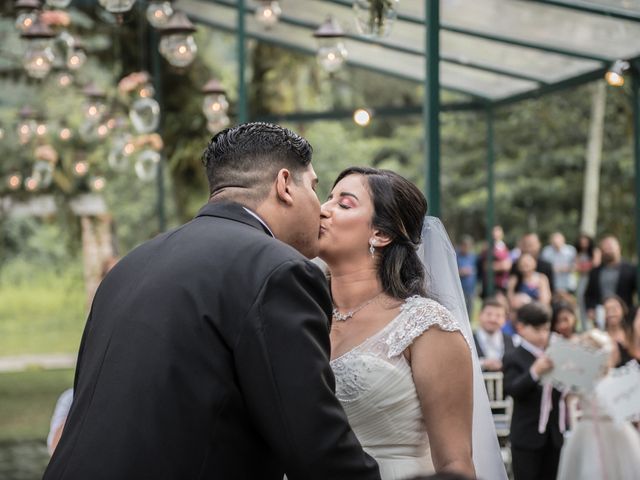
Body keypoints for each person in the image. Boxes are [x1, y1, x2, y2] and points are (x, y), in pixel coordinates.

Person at [44, 123, 381, 480]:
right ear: (284, 185)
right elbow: (314, 442)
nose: (320, 208)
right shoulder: (277, 271)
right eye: (314, 187)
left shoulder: (130, 266)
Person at [319, 166, 506, 480]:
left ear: (381, 234)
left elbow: (455, 465)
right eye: (327, 198)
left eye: (344, 204)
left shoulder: (426, 327)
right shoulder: (305, 314)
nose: (322, 210)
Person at [556, 329, 640, 479]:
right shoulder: (580, 382)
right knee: (590, 470)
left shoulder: (616, 379)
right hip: (587, 432)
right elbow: (564, 392)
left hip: (616, 433)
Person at [503, 302, 563, 480]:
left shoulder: (553, 354)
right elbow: (512, 389)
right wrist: (535, 371)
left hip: (553, 435)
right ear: (521, 327)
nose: (543, 334)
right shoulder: (514, 356)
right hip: (527, 436)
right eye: (537, 329)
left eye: (546, 329)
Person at [584, 235, 637, 321]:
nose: (607, 250)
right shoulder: (595, 272)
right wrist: (590, 309)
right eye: (604, 248)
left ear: (619, 247)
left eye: (610, 247)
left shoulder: (631, 269)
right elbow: (588, 295)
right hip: (602, 318)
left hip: (625, 317)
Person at [473, 298, 515, 371]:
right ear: (479, 315)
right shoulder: (468, 339)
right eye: (489, 314)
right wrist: (483, 363)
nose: (493, 319)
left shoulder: (512, 340)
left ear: (505, 319)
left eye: (498, 316)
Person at [574, 234, 601, 330]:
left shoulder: (595, 251)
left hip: (593, 279)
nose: (584, 244)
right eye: (582, 243)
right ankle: (585, 328)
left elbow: (596, 264)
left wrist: (583, 267)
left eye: (585, 242)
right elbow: (577, 267)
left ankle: (597, 326)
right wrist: (586, 267)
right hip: (582, 280)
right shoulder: (579, 253)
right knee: (581, 300)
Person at [477, 225, 512, 297]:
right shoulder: (487, 248)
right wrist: (501, 266)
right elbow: (486, 266)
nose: (495, 234)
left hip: (502, 284)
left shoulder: (504, 247)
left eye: (498, 231)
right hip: (490, 284)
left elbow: (508, 265)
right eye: (494, 232)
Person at [603, 295, 634, 367]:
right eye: (607, 310)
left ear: (623, 310)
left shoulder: (632, 333)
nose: (611, 313)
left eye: (614, 309)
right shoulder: (600, 337)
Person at [456, 235, 477, 318]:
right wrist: (462, 271)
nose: (466, 248)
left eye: (468, 246)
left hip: (471, 288)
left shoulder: (473, 256)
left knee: (470, 307)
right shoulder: (456, 255)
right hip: (460, 288)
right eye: (464, 245)